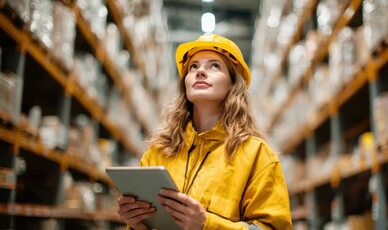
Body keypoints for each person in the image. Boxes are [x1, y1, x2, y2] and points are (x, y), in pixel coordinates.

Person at [117, 33, 292, 230]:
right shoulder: (158, 153)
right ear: (185, 83)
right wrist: (137, 224)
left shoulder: (257, 156)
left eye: (214, 66)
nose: (200, 71)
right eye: (194, 66)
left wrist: (206, 225)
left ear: (233, 84)